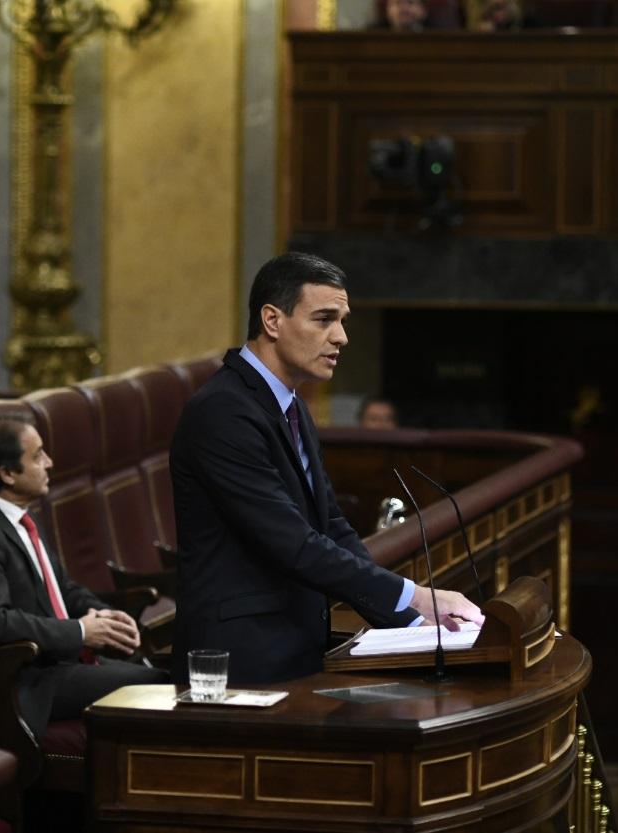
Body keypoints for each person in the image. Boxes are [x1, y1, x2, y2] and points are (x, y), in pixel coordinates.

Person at [170, 252, 482, 685]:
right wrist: (416, 596)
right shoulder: (223, 412)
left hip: (292, 645)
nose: (341, 337)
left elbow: (330, 526)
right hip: (239, 663)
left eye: (343, 320)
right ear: (272, 320)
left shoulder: (290, 405)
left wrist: (411, 624)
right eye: (323, 319)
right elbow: (293, 544)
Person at [0, 415, 166, 740]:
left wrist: (103, 615)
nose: (49, 462)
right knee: (157, 684)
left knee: (163, 672)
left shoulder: (21, 517)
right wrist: (80, 631)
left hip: (59, 663)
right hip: (26, 681)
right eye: (37, 456)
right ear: (7, 474)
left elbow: (63, 590)